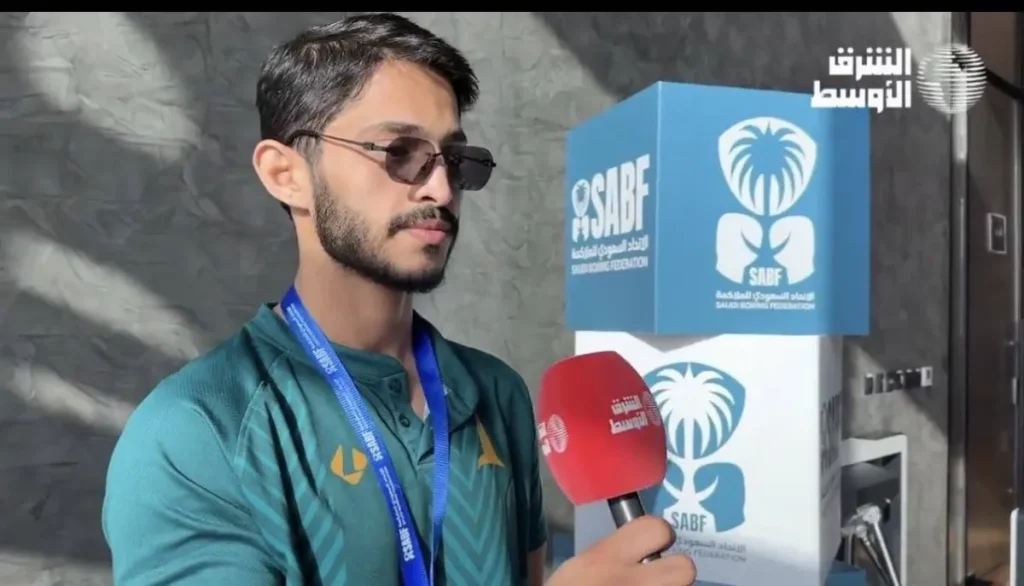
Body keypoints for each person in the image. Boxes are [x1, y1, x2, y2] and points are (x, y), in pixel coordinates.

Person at [101, 12, 696, 586]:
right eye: (399, 152)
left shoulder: (498, 393)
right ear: (286, 174)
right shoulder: (195, 430)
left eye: (454, 160)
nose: (440, 188)